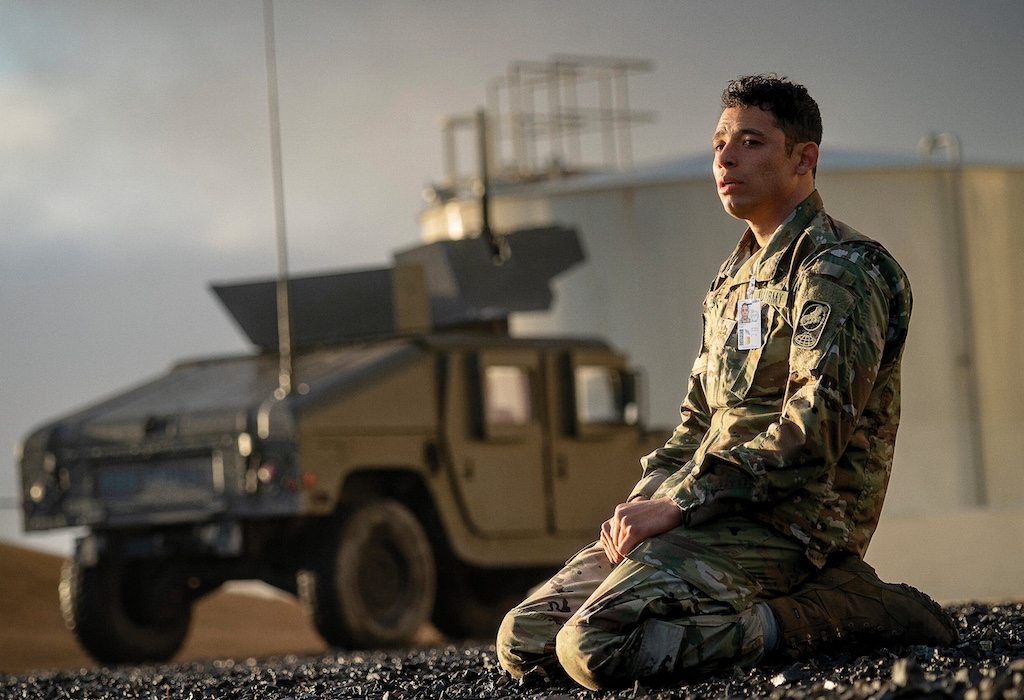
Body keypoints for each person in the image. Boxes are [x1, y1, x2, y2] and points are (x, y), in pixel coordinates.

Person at [496, 74, 958, 691]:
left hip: (793, 525)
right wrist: (645, 503)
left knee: (594, 647)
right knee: (524, 640)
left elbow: (811, 435)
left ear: (804, 159)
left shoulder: (840, 271)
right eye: (719, 144)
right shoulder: (733, 282)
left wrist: (679, 504)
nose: (725, 158)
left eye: (750, 142)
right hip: (706, 512)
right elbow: (697, 424)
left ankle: (835, 609)